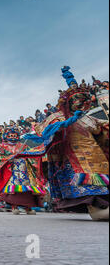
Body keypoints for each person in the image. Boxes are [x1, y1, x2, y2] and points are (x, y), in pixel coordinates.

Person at [23, 67, 109, 220]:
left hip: (96, 155)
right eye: (76, 100)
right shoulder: (59, 116)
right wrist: (68, 122)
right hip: (74, 155)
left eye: (83, 100)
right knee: (86, 181)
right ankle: (94, 208)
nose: (80, 103)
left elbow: (99, 130)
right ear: (68, 102)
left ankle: (101, 206)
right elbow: (47, 131)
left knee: (102, 179)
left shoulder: (88, 118)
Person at [0, 128, 46, 215]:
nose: (13, 137)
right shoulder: (2, 147)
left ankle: (28, 208)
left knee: (28, 189)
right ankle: (14, 206)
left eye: (14, 136)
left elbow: (31, 155)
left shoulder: (24, 146)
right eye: (10, 136)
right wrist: (8, 159)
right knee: (13, 190)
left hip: (25, 170)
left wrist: (27, 157)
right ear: (6, 136)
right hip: (11, 170)